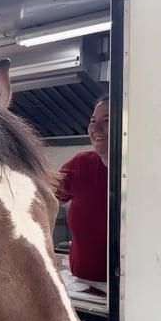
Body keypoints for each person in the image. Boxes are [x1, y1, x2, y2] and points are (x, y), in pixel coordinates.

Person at [56, 94, 109, 283]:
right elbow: (42, 197)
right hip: (82, 287)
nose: (96, 128)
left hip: (128, 292)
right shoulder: (80, 164)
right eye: (93, 121)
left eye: (107, 120)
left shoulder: (141, 175)